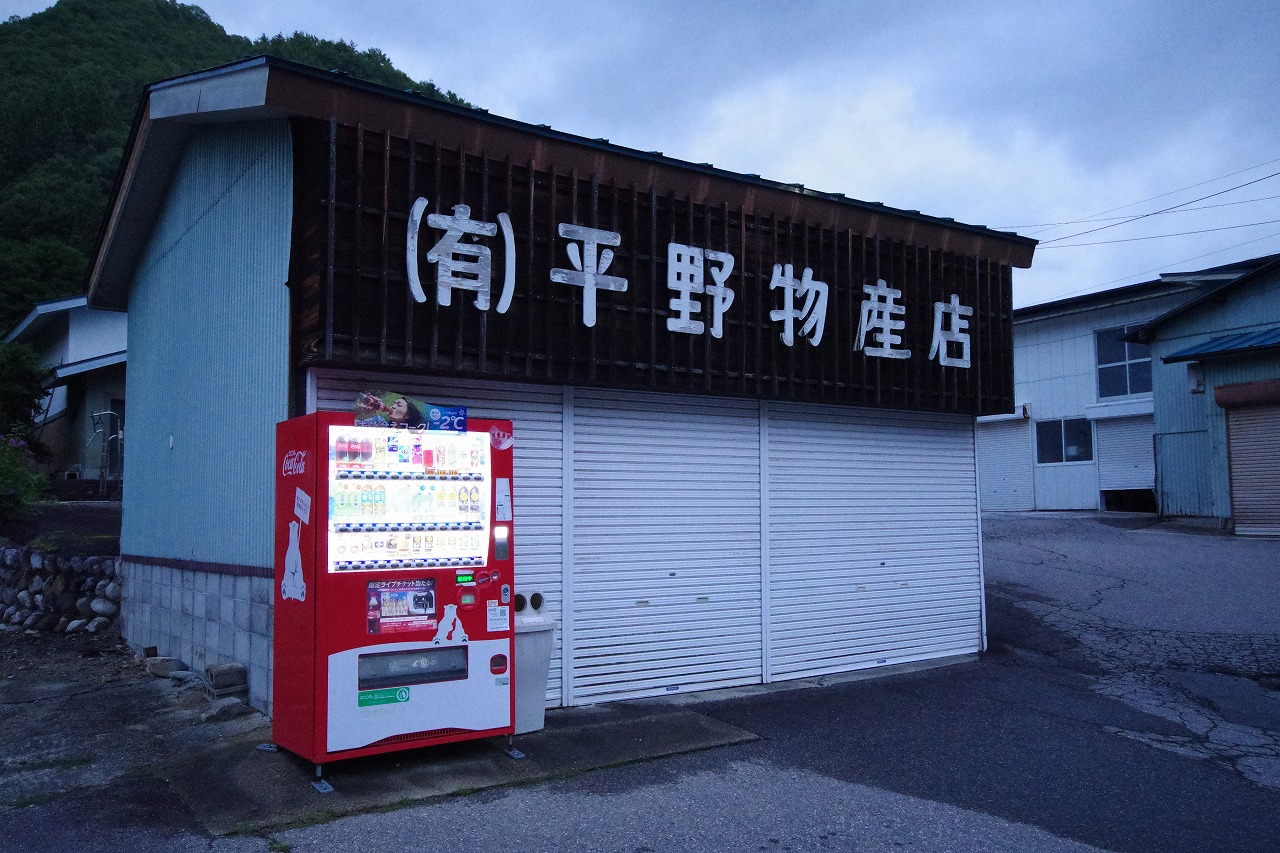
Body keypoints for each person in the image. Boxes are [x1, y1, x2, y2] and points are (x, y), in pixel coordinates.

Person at [358, 394, 428, 428]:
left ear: (407, 415)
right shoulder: (378, 422)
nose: (393, 406)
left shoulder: (416, 434)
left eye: (399, 405)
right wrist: (363, 409)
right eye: (393, 404)